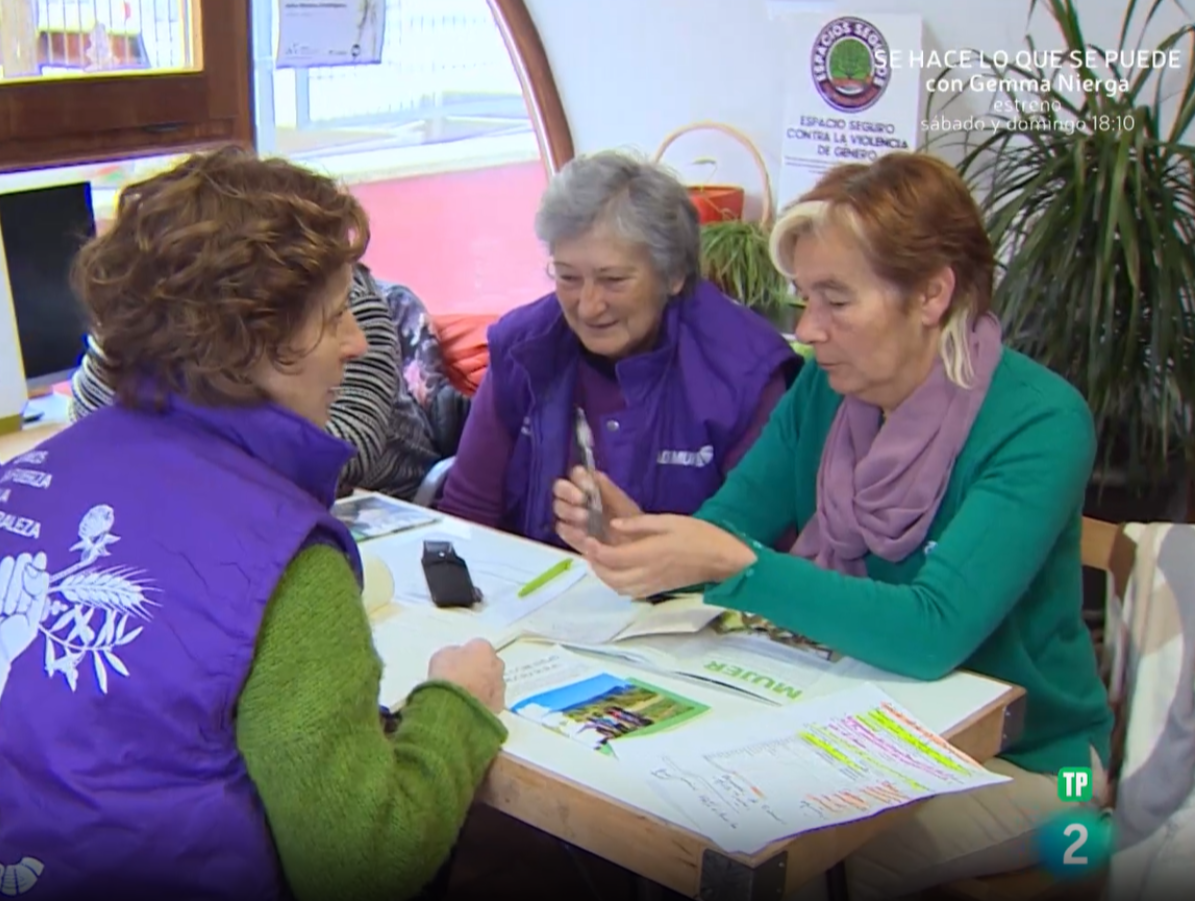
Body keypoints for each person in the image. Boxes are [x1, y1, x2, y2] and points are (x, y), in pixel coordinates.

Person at [0, 146, 508, 901]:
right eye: (332, 319)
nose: (357, 341)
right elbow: (361, 863)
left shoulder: (14, 485)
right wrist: (456, 702)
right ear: (246, 345)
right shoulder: (280, 556)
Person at [550, 152, 1112, 898]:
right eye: (803, 298)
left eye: (836, 301)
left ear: (932, 294)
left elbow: (929, 629)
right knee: (679, 817)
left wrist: (731, 564)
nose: (808, 329)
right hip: (863, 723)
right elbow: (730, 522)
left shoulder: (1040, 421)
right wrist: (644, 541)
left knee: (785, 854)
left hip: (1046, 760)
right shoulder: (825, 385)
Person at [438, 149, 801, 544]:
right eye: (568, 277)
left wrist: (648, 552)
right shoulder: (523, 347)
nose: (589, 306)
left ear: (674, 274)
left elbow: (762, 548)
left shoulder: (745, 371)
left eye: (613, 280)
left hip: (689, 599)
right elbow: (466, 513)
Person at [69, 261, 442, 499]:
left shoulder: (352, 305)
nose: (355, 341)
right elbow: (97, 430)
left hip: (389, 497)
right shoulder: (166, 318)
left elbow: (333, 454)